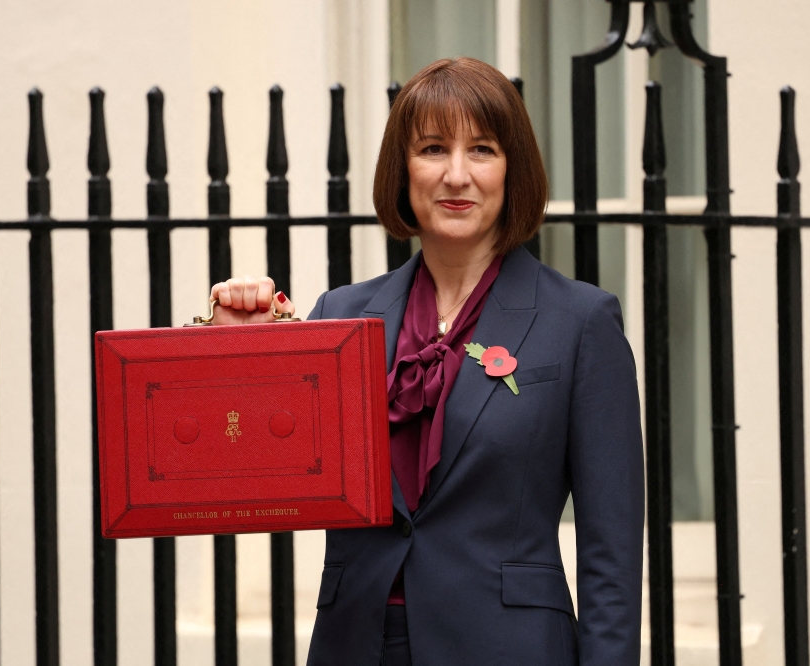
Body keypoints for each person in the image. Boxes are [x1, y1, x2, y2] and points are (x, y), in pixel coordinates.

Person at [210, 57, 643, 666]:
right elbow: (258, 473)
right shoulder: (340, 314)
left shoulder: (581, 323)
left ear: (512, 170)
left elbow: (612, 558)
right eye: (434, 148)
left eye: (483, 150)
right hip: (356, 647)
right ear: (403, 170)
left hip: (509, 649)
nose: (457, 175)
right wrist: (240, 353)